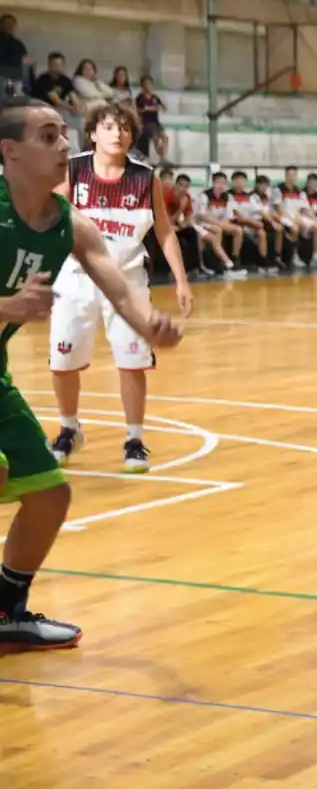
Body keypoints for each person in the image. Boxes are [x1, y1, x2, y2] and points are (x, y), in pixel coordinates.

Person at [0, 96, 183, 649]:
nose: (63, 146)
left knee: (50, 497)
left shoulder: (70, 225)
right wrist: (4, 308)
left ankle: (7, 613)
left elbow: (116, 284)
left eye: (62, 134)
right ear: (9, 151)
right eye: (48, 136)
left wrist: (148, 322)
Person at [48, 105, 194, 473]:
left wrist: (181, 280)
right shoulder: (73, 170)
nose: (118, 133)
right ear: (93, 133)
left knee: (132, 363)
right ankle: (68, 429)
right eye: (109, 126)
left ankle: (134, 439)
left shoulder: (146, 178)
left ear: (133, 135)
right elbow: (50, 218)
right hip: (76, 278)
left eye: (125, 128)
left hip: (128, 283)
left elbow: (164, 231)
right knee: (63, 362)